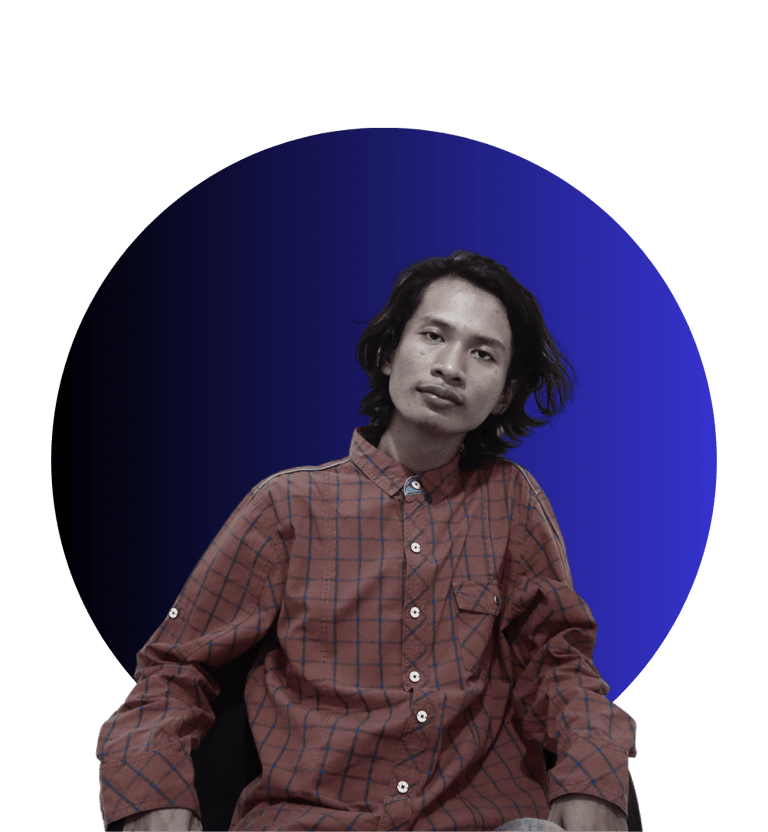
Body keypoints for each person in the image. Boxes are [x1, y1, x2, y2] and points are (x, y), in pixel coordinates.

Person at [96, 252, 638, 831]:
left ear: (504, 394)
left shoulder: (510, 502)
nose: (450, 367)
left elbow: (560, 663)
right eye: (433, 336)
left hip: (481, 819)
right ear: (388, 353)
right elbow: (174, 668)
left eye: (483, 353)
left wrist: (593, 775)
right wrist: (154, 792)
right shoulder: (285, 506)